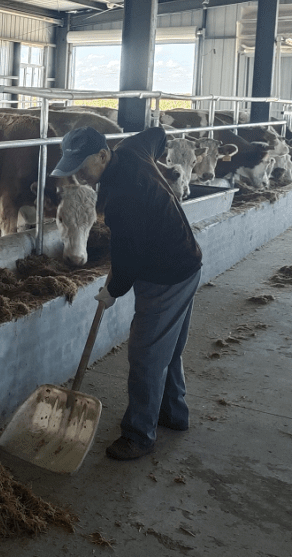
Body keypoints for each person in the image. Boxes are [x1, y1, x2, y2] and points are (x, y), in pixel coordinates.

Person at [51, 125, 203, 460]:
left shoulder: (122, 198)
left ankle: (139, 434)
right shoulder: (134, 149)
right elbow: (159, 134)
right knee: (169, 346)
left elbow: (127, 258)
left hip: (165, 274)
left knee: (147, 354)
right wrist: (159, 168)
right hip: (187, 259)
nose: (78, 175)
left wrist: (112, 291)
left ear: (104, 155)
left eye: (82, 166)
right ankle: (173, 414)